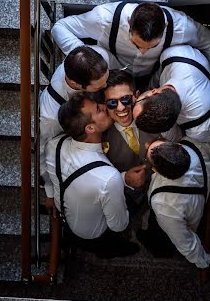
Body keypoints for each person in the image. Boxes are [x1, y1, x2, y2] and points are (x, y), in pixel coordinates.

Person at [44, 93, 139, 258]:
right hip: (95, 234)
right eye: (98, 109)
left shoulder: (54, 145)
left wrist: (50, 194)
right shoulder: (108, 178)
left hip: (66, 215)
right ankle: (111, 252)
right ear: (90, 128)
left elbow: (52, 175)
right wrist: (124, 181)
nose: (104, 106)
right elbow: (119, 225)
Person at [51, 1, 210, 84]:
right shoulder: (104, 19)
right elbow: (60, 27)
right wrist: (90, 61)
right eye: (136, 44)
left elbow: (209, 42)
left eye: (152, 46)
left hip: (153, 75)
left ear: (165, 26)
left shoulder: (182, 27)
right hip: (110, 69)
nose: (142, 52)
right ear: (128, 22)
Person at [137, 137, 210, 268]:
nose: (146, 144)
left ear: (158, 170)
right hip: (198, 203)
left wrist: (204, 262)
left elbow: (185, 242)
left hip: (176, 227)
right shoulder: (196, 145)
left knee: (157, 244)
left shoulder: (164, 203)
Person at [40, 45, 109, 197]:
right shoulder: (50, 116)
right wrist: (50, 190)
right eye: (99, 86)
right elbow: (41, 149)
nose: (106, 86)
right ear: (77, 84)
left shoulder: (97, 57)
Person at [133, 45, 210, 144]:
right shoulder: (174, 54)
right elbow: (158, 75)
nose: (135, 99)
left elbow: (198, 149)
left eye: (136, 102)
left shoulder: (204, 126)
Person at [102, 70, 158, 208]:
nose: (121, 107)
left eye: (125, 99)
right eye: (112, 103)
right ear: (104, 105)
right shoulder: (100, 135)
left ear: (136, 96)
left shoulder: (154, 113)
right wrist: (124, 179)